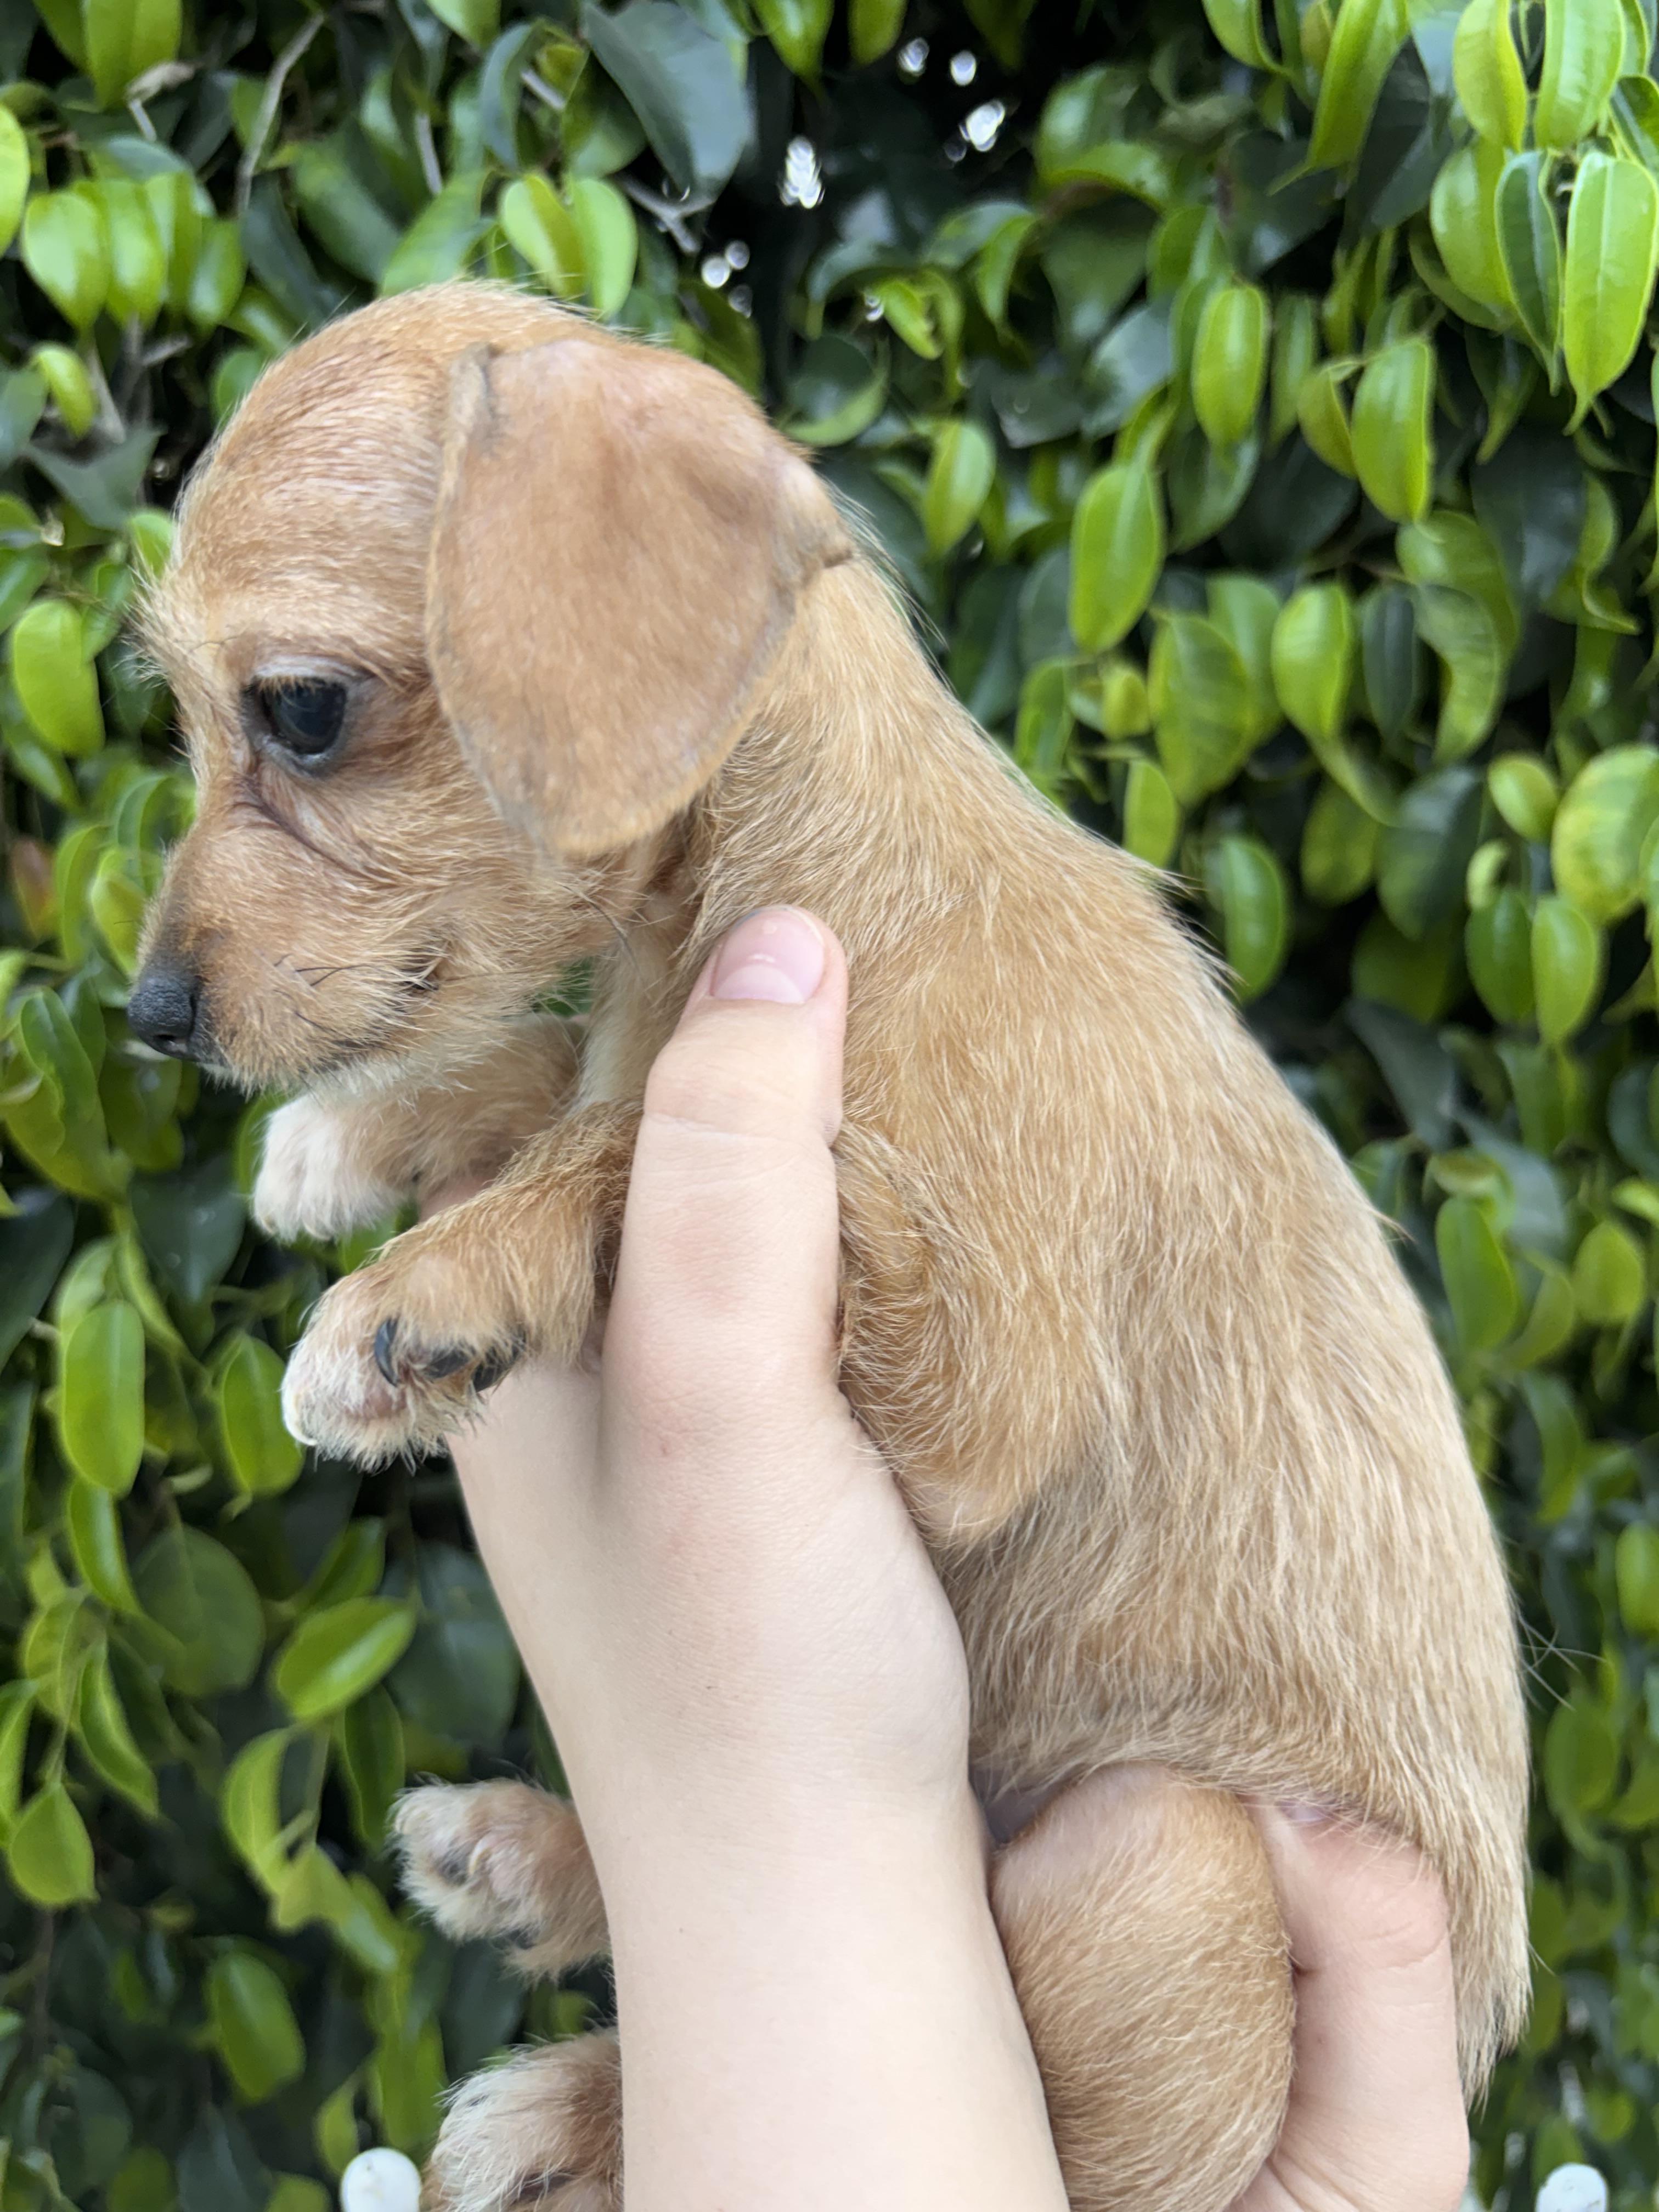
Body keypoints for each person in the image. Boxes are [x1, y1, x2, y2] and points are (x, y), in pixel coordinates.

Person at [442, 907, 1473, 2212]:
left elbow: (979, 1439)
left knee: (1163, 1877)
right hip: (1264, 2023)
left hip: (1202, 1976)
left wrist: (728, 1816)